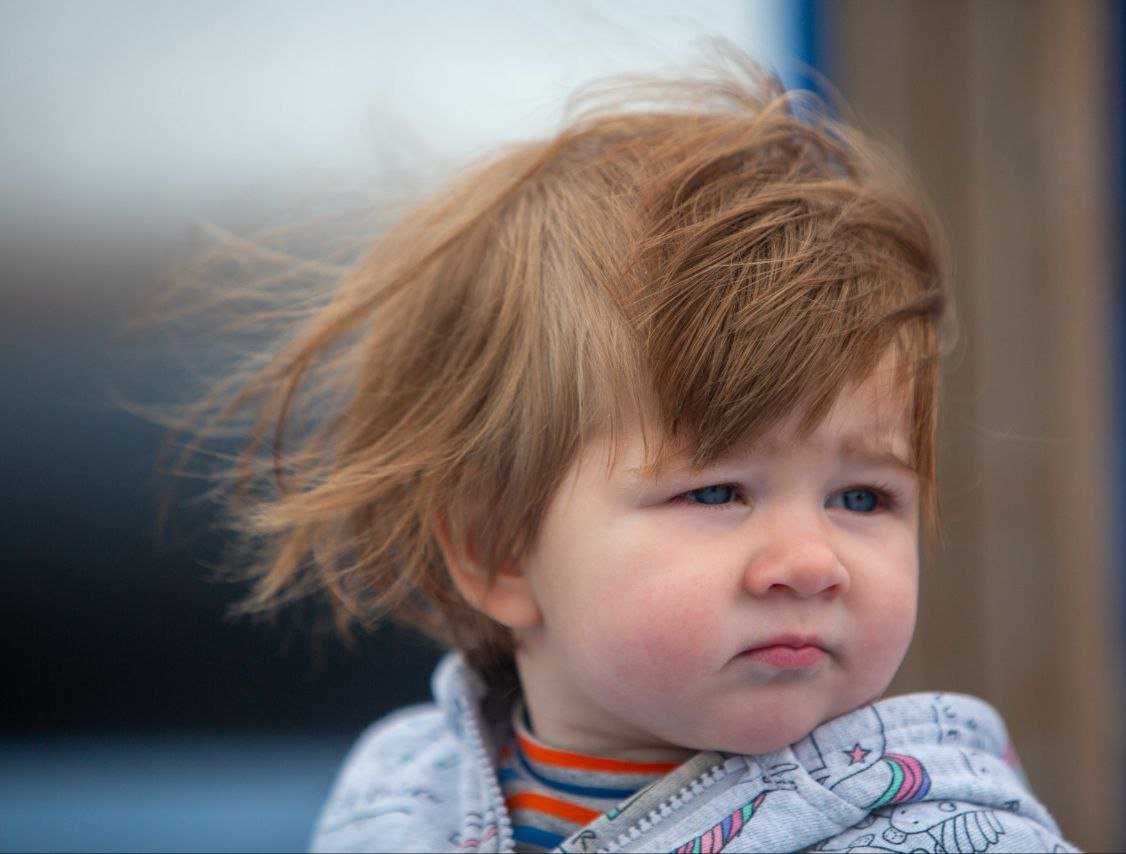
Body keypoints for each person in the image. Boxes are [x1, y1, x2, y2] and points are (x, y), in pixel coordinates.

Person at [185, 54, 1075, 852]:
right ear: (499, 546)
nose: (812, 563)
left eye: (862, 499)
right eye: (719, 492)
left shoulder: (935, 832)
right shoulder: (398, 800)